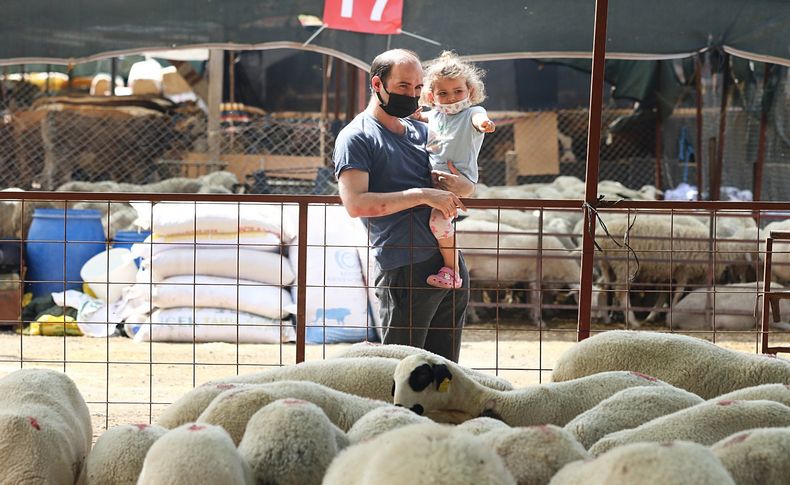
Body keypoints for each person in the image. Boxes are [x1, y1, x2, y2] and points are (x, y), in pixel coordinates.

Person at [333, 49, 471, 362]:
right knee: (400, 369)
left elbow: (458, 180)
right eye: (404, 87)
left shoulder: (425, 132)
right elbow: (355, 204)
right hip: (404, 265)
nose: (413, 95)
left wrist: (464, 184)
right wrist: (422, 195)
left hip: (449, 262)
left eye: (418, 88)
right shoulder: (356, 137)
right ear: (378, 84)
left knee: (446, 371)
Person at [416, 51, 495, 289]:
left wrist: (484, 124)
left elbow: (479, 118)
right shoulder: (435, 116)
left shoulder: (472, 113)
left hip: (456, 181)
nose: (451, 98)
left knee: (439, 224)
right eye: (443, 93)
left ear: (469, 91)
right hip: (432, 181)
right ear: (432, 95)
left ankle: (453, 271)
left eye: (457, 91)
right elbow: (421, 118)